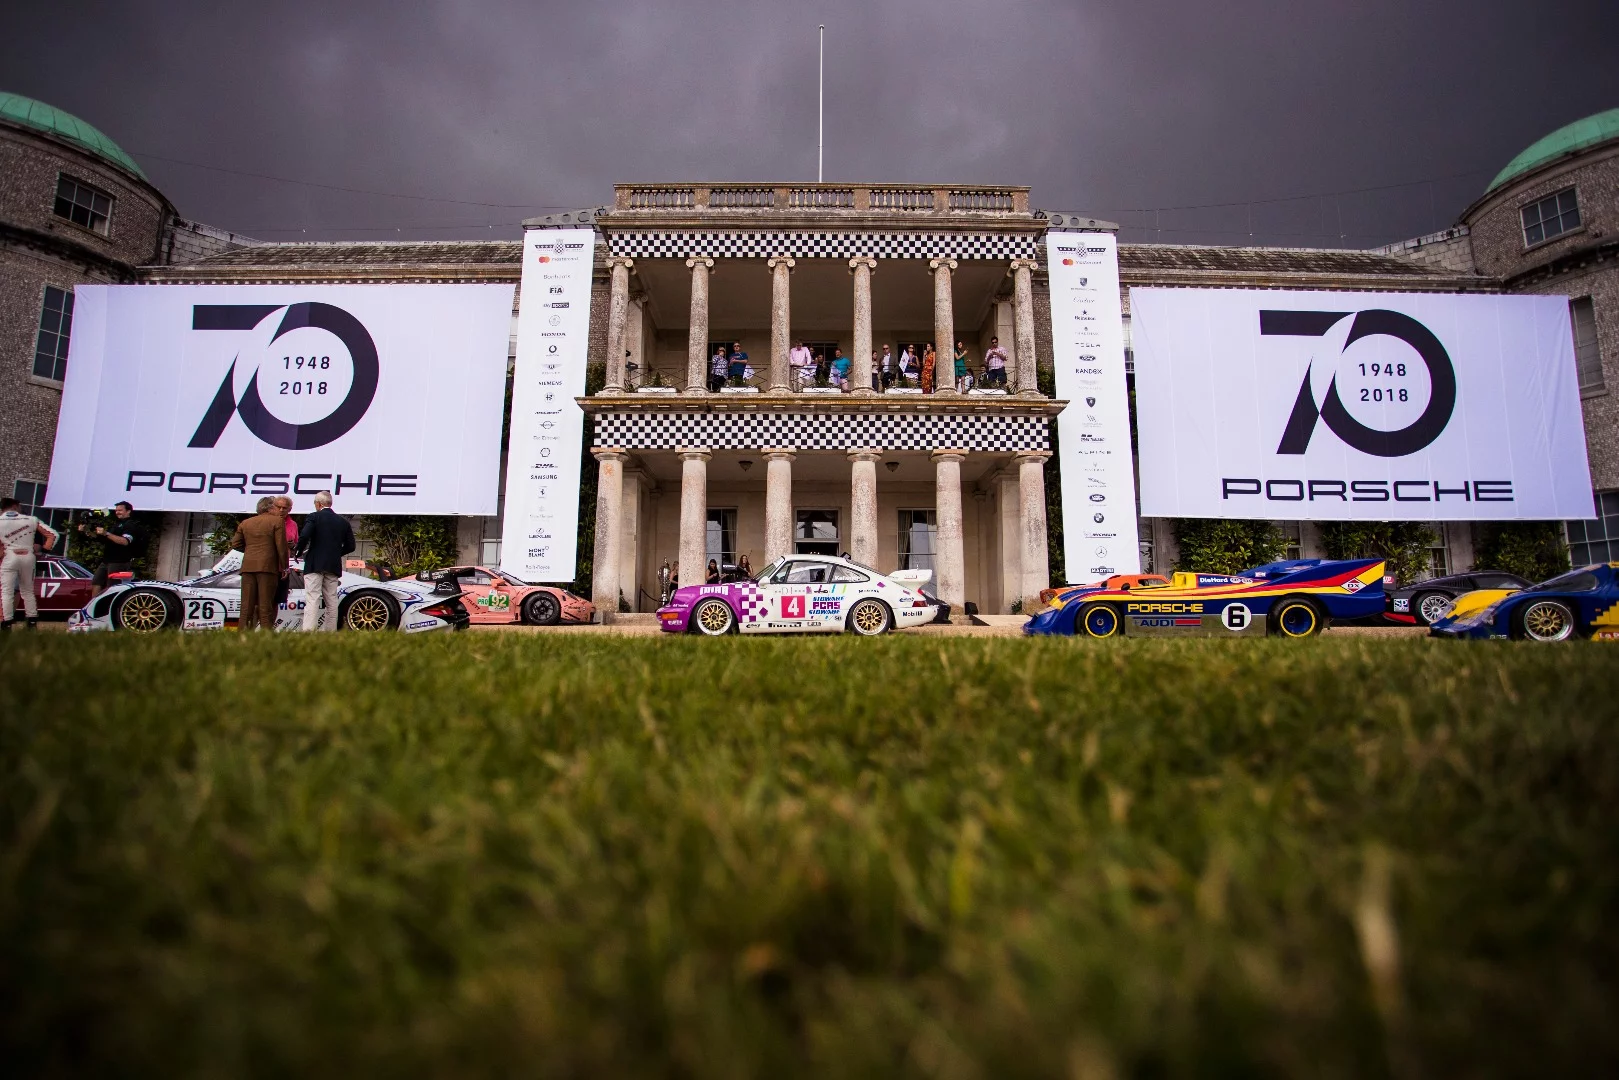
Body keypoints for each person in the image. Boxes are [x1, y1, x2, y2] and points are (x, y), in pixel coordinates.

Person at [295, 490, 355, 631]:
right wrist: (335, 553)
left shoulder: (314, 517)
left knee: (312, 598)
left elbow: (304, 535)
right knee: (332, 600)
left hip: (314, 563)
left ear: (318, 504)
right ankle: (330, 631)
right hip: (333, 565)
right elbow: (351, 546)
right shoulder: (343, 522)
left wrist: (298, 550)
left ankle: (309, 631)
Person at [231, 497, 289, 631]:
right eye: (276, 507)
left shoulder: (245, 523)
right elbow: (281, 546)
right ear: (270, 508)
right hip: (267, 567)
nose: (278, 510)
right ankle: (265, 636)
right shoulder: (277, 521)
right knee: (265, 605)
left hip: (248, 567)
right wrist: (284, 566)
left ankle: (243, 635)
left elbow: (235, 544)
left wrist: (250, 550)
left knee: (246, 605)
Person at [1, 497, 58, 631]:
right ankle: (32, 621)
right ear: (15, 506)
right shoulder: (31, 519)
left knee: (7, 591)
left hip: (9, 557)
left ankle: (6, 623)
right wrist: (45, 549)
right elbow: (54, 535)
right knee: (27, 591)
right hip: (28, 556)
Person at [82, 501, 139, 596]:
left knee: (112, 586)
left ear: (128, 511)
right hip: (107, 560)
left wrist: (106, 533)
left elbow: (124, 541)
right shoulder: (116, 523)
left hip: (119, 561)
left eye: (120, 510)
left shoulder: (130, 525)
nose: (117, 512)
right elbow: (102, 539)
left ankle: (109, 607)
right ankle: (95, 605)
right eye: (116, 510)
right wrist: (86, 531)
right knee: (96, 582)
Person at [273, 496, 299, 610]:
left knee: (277, 602)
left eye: (284, 508)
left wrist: (292, 546)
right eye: (278, 507)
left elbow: (296, 544)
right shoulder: (267, 522)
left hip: (283, 568)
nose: (281, 510)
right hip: (268, 566)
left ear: (290, 509)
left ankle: (269, 628)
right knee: (261, 602)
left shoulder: (293, 524)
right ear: (273, 507)